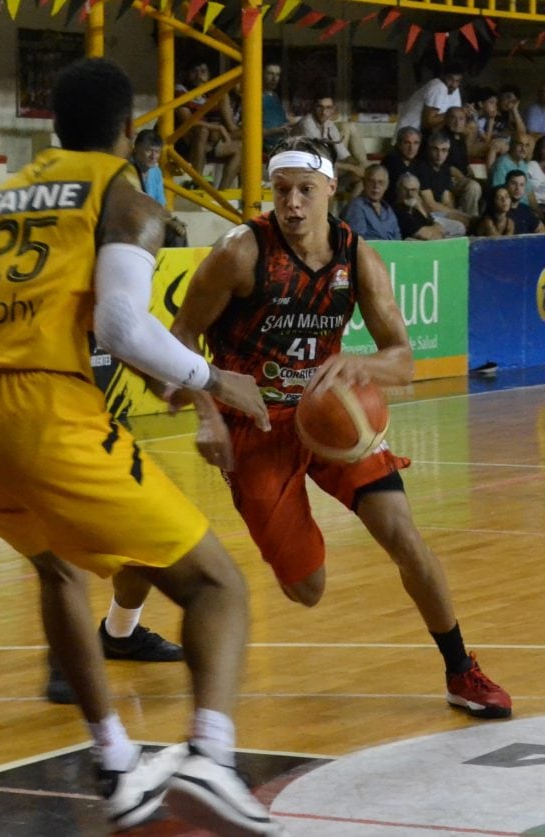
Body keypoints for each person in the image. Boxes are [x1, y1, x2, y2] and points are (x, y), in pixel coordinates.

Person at [0, 58, 279, 835]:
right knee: (217, 587)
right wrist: (216, 379)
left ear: (51, 127)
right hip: (43, 410)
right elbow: (118, 327)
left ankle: (115, 762)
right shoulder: (124, 195)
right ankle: (211, 755)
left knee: (57, 567)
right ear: (130, 131)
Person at [169, 135, 512, 722]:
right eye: (282, 191)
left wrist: (363, 365)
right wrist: (208, 410)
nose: (293, 204)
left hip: (330, 415)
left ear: (332, 188)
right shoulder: (240, 253)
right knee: (309, 589)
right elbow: (177, 337)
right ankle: (133, 586)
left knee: (405, 537)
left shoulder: (359, 259)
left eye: (306, 190)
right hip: (253, 426)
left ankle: (461, 669)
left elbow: (401, 357)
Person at [173, 59, 242, 190]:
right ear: (188, 74)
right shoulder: (181, 90)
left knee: (242, 146)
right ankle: (196, 183)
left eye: (203, 71)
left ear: (209, 74)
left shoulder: (216, 94)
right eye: (194, 71)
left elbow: (232, 127)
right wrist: (217, 127)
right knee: (202, 131)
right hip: (187, 140)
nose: (199, 75)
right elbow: (187, 121)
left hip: (213, 141)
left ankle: (222, 193)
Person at [292, 94, 365, 201]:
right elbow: (319, 160)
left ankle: (350, 212)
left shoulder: (329, 125)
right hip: (299, 169)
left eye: (328, 108)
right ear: (313, 108)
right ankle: (326, 214)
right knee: (331, 174)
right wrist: (352, 168)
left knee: (361, 177)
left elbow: (343, 154)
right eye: (319, 107)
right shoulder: (307, 123)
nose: (323, 111)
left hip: (319, 170)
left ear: (333, 110)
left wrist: (357, 166)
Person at [132, 128, 188, 247]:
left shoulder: (156, 172)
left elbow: (160, 205)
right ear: (136, 149)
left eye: (157, 152)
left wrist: (172, 221)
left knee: (178, 232)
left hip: (152, 221)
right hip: (133, 224)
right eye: (149, 151)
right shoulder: (127, 170)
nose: (153, 156)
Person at [414, 130, 471, 234]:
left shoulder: (445, 169)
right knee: (461, 225)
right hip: (425, 214)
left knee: (469, 221)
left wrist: (456, 214)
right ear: (428, 149)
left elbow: (446, 200)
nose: (439, 154)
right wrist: (458, 214)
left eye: (444, 150)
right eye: (435, 149)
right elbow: (430, 204)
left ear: (448, 152)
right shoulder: (422, 168)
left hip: (439, 212)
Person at [394, 63, 465, 141]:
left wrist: (465, 113)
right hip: (409, 133)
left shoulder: (454, 89)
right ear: (443, 76)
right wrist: (456, 113)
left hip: (426, 132)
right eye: (450, 79)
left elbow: (456, 116)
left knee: (467, 127)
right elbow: (428, 122)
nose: (454, 85)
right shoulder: (438, 86)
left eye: (457, 81)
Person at [442, 106, 483, 217]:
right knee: (473, 186)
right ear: (446, 119)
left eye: (461, 119)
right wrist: (465, 178)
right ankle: (471, 221)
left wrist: (472, 174)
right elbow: (445, 165)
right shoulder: (442, 137)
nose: (457, 122)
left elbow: (465, 162)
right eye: (453, 118)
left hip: (461, 177)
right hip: (447, 178)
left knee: (486, 186)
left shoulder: (460, 138)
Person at [341, 164, 401, 240]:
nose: (376, 186)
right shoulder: (356, 207)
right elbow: (358, 242)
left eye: (381, 182)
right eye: (371, 181)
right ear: (364, 183)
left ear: (387, 185)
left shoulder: (388, 210)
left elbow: (398, 238)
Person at [393, 173, 448, 240]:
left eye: (414, 190)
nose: (410, 194)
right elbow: (427, 236)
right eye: (405, 190)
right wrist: (435, 231)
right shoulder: (398, 212)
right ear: (398, 190)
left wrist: (420, 208)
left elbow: (441, 229)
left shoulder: (415, 210)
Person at [381, 126, 422, 206]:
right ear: (399, 144)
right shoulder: (392, 160)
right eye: (407, 143)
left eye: (416, 143)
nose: (411, 148)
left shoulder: (417, 163)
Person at [261, 63, 292, 156]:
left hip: (282, 143)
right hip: (266, 148)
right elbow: (252, 132)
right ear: (261, 74)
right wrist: (276, 131)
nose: (274, 78)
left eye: (277, 75)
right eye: (270, 74)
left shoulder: (274, 96)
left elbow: (283, 121)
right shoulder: (255, 97)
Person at [505, 169, 545, 234]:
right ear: (506, 185)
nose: (517, 188)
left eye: (521, 185)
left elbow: (541, 229)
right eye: (513, 183)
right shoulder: (500, 210)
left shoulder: (526, 209)